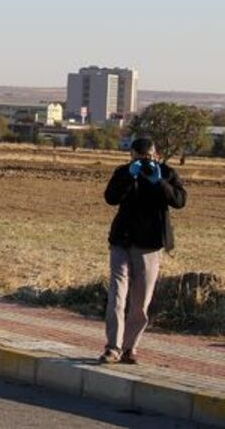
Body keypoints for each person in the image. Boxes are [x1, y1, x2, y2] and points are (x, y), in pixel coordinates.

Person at [100, 137, 186, 365]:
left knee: (140, 301)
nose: (146, 161)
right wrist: (130, 175)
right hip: (122, 241)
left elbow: (179, 201)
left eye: (149, 157)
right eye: (140, 158)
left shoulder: (167, 173)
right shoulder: (124, 172)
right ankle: (113, 348)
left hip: (149, 245)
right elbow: (110, 198)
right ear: (132, 156)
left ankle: (130, 348)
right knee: (117, 296)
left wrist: (159, 183)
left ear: (156, 155)